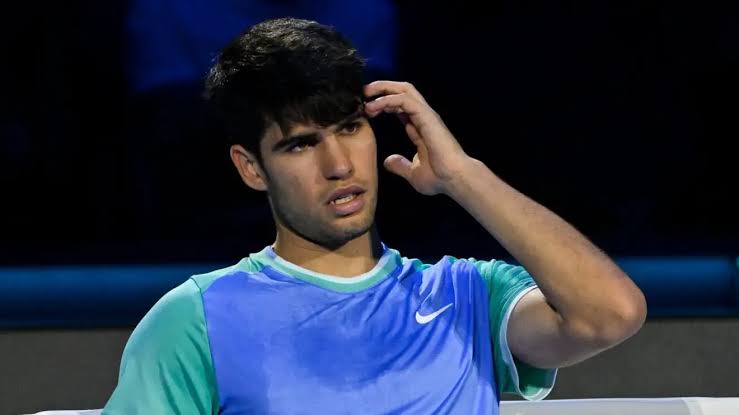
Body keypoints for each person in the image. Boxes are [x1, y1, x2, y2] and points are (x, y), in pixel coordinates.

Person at [103, 17, 647, 414]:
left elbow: (609, 315)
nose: (339, 165)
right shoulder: (194, 320)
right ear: (251, 167)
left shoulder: (466, 297)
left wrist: (463, 175)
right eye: (301, 144)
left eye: (350, 127)